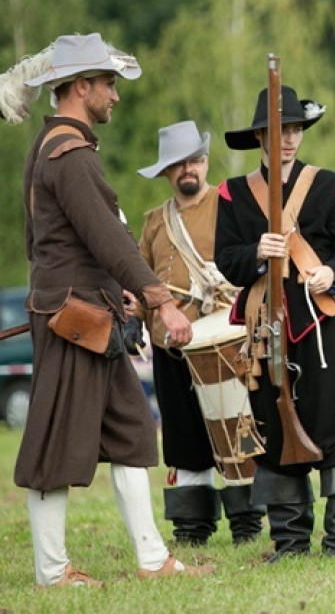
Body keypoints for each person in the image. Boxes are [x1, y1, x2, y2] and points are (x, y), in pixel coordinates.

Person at [2, 33, 213, 586]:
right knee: (54, 445)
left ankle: (152, 560)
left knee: (132, 433)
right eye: (108, 84)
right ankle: (51, 573)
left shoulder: (62, 147)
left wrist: (107, 287)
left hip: (88, 313)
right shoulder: (69, 154)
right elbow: (110, 242)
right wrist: (160, 302)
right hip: (75, 321)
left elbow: (60, 244)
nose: (115, 95)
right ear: (80, 87)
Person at [215, 84, 335, 561]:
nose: (288, 139)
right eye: (279, 130)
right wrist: (256, 254)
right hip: (265, 327)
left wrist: (331, 273)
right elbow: (226, 259)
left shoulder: (332, 186)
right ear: (260, 135)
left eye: (296, 129)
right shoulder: (234, 194)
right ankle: (289, 540)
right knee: (272, 424)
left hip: (317, 325)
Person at [133, 120, 265, 545]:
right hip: (171, 349)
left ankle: (246, 522)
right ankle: (192, 526)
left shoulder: (231, 204)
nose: (187, 169)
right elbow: (140, 279)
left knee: (235, 432)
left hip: (224, 342)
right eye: (177, 164)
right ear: (167, 172)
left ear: (205, 163)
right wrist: (134, 311)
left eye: (193, 160)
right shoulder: (155, 221)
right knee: (184, 438)